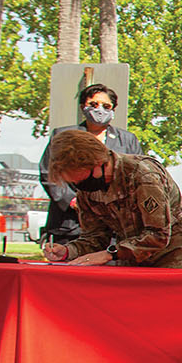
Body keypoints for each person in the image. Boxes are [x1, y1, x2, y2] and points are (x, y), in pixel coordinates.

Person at [39, 128, 182, 269]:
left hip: (175, 252)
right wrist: (68, 251)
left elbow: (158, 236)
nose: (80, 187)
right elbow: (95, 238)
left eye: (81, 180)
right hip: (130, 253)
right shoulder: (88, 187)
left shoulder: (143, 174)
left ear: (97, 163)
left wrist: (110, 254)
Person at [39, 82, 143, 244]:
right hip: (70, 227)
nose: (99, 109)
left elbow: (137, 176)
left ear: (113, 110)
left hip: (113, 228)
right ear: (83, 107)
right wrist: (73, 201)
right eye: (93, 104)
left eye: (106, 106)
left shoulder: (127, 140)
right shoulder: (63, 135)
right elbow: (48, 173)